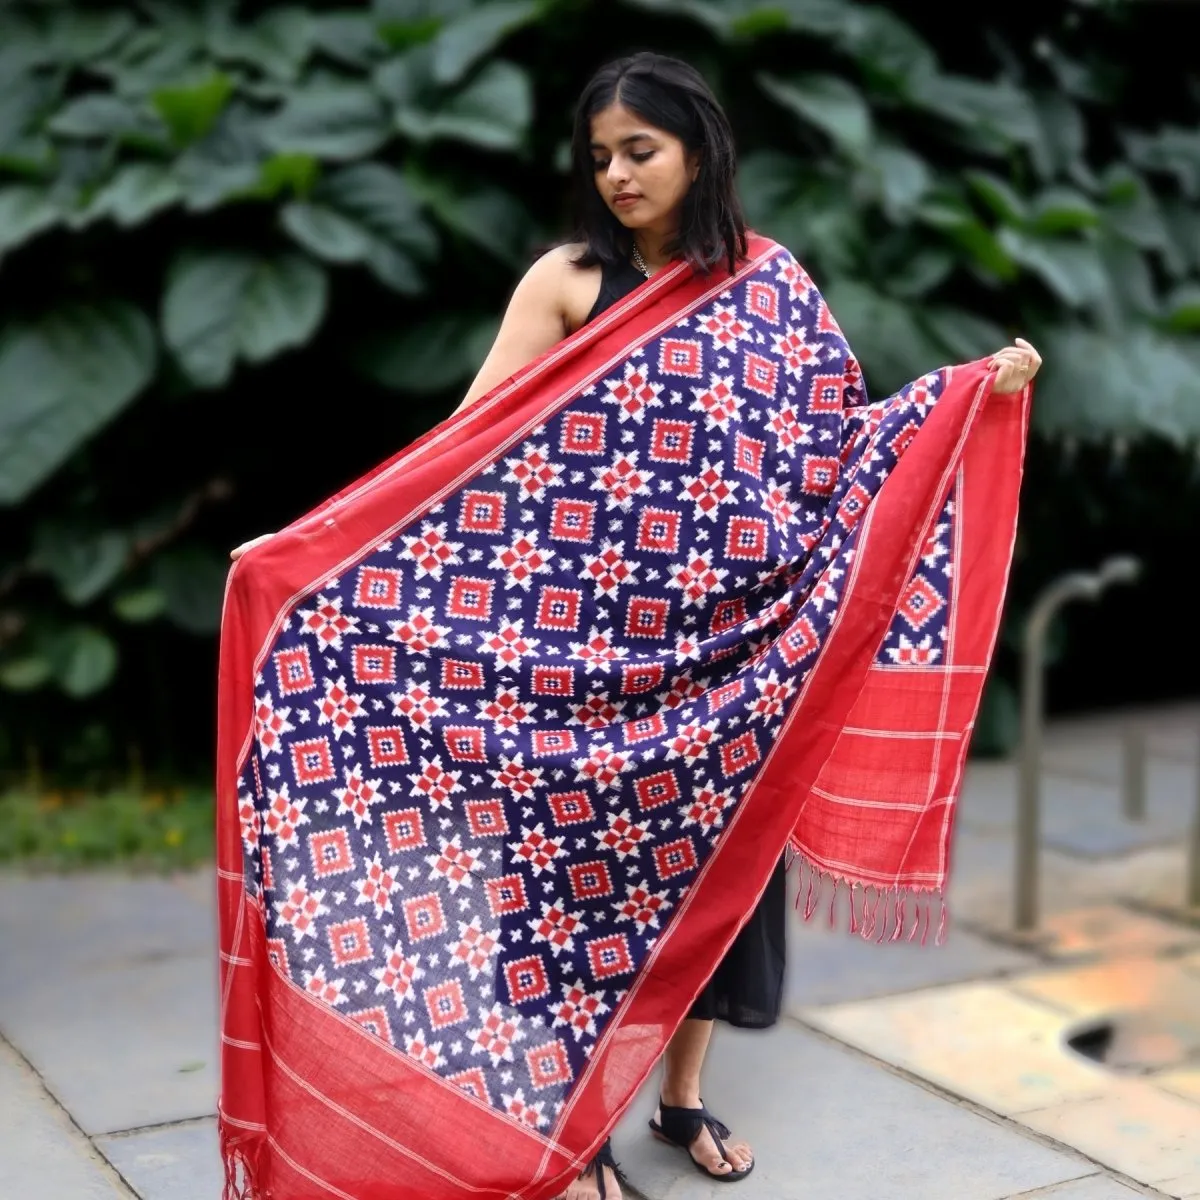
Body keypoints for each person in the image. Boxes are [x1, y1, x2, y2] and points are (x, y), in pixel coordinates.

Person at [225, 52, 1038, 1200]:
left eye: (639, 151)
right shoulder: (568, 279)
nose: (615, 174)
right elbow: (463, 450)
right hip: (579, 655)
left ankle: (682, 1099)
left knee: (720, 880)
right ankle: (575, 1138)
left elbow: (838, 444)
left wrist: (968, 393)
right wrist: (305, 549)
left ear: (698, 149)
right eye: (599, 155)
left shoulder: (771, 284)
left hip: (732, 652)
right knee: (570, 884)